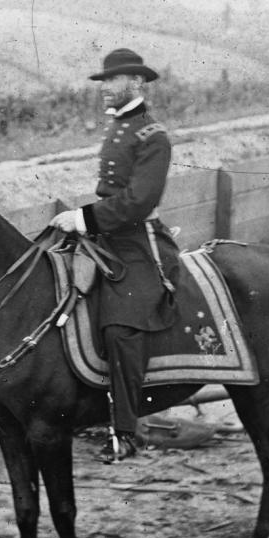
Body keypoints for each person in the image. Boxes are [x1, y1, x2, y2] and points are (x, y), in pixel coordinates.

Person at [50, 48, 181, 463]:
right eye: (104, 82)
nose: (105, 89)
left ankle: (125, 431)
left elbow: (138, 202)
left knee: (121, 328)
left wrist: (83, 218)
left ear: (137, 83)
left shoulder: (153, 135)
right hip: (107, 235)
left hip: (138, 242)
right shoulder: (120, 127)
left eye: (112, 81)